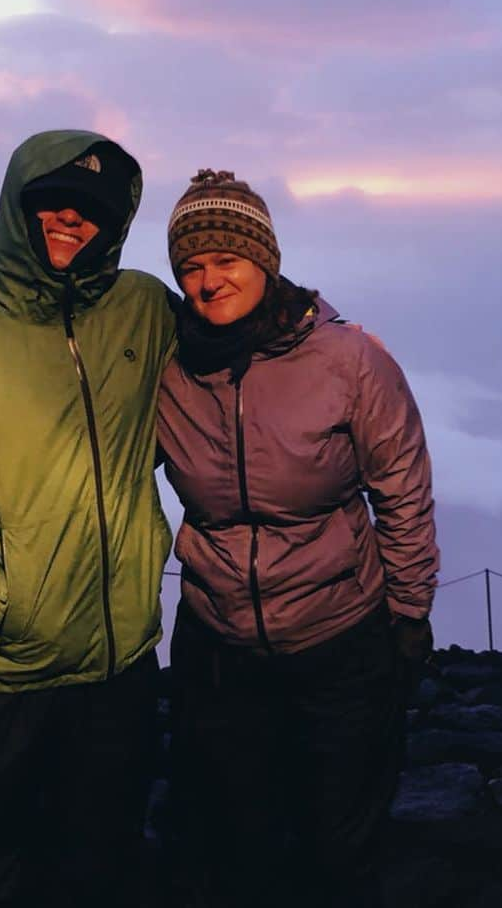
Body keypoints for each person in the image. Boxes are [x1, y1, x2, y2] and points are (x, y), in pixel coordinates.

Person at [0, 130, 176, 908]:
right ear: (16, 211)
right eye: (49, 203)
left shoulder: (145, 311)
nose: (67, 220)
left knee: (97, 872)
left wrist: (321, 332)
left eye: (87, 210)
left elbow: (232, 350)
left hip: (118, 675)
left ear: (113, 225)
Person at [159, 169, 439, 908]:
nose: (209, 280)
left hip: (340, 636)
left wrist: (408, 616)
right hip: (219, 645)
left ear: (265, 260)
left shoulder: (347, 360)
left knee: (339, 846)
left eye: (226, 259)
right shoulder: (170, 368)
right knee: (234, 842)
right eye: (191, 265)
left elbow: (402, 492)